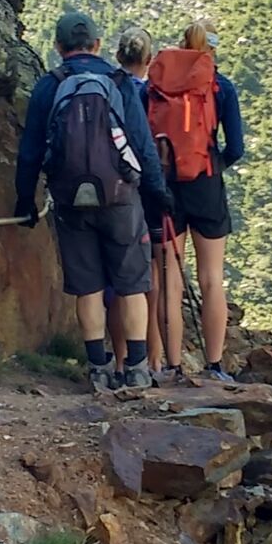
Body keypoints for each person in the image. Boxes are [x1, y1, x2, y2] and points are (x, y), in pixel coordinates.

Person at [14, 12, 171, 393]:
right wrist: (159, 196)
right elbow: (143, 147)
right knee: (132, 284)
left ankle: (98, 369)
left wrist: (24, 200)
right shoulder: (120, 83)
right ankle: (135, 368)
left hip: (70, 200)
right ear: (98, 45)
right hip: (121, 198)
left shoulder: (49, 86)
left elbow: (30, 152)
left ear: (58, 47)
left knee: (88, 287)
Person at [148, 19, 245, 383]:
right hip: (205, 184)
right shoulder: (220, 87)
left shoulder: (155, 87)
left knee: (169, 277)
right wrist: (211, 165)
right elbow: (235, 147)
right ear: (211, 48)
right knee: (211, 277)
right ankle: (215, 366)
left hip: (164, 189)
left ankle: (172, 366)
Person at [107, 27, 160, 368]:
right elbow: (144, 145)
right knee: (141, 279)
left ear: (116, 56)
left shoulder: (106, 87)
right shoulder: (147, 94)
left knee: (110, 281)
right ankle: (152, 360)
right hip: (138, 192)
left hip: (103, 186)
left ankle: (117, 358)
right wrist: (160, 190)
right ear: (149, 61)